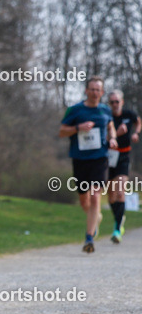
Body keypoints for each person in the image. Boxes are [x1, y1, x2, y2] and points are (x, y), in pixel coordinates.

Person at [58, 77, 118, 252]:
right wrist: (78, 128)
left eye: (98, 90)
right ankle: (95, 217)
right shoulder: (75, 110)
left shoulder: (105, 110)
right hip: (80, 159)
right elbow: (61, 131)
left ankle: (89, 238)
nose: (94, 93)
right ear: (86, 91)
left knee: (95, 195)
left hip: (100, 158)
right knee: (84, 201)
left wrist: (113, 138)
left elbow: (110, 127)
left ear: (102, 92)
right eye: (92, 89)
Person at [105, 89, 140, 243]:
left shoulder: (129, 114)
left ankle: (117, 229)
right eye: (112, 102)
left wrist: (136, 133)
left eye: (117, 101)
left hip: (123, 157)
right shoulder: (106, 116)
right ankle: (119, 218)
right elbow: (102, 138)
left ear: (122, 102)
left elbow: (138, 121)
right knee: (111, 196)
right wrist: (116, 134)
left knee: (120, 191)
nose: (114, 104)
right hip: (108, 157)